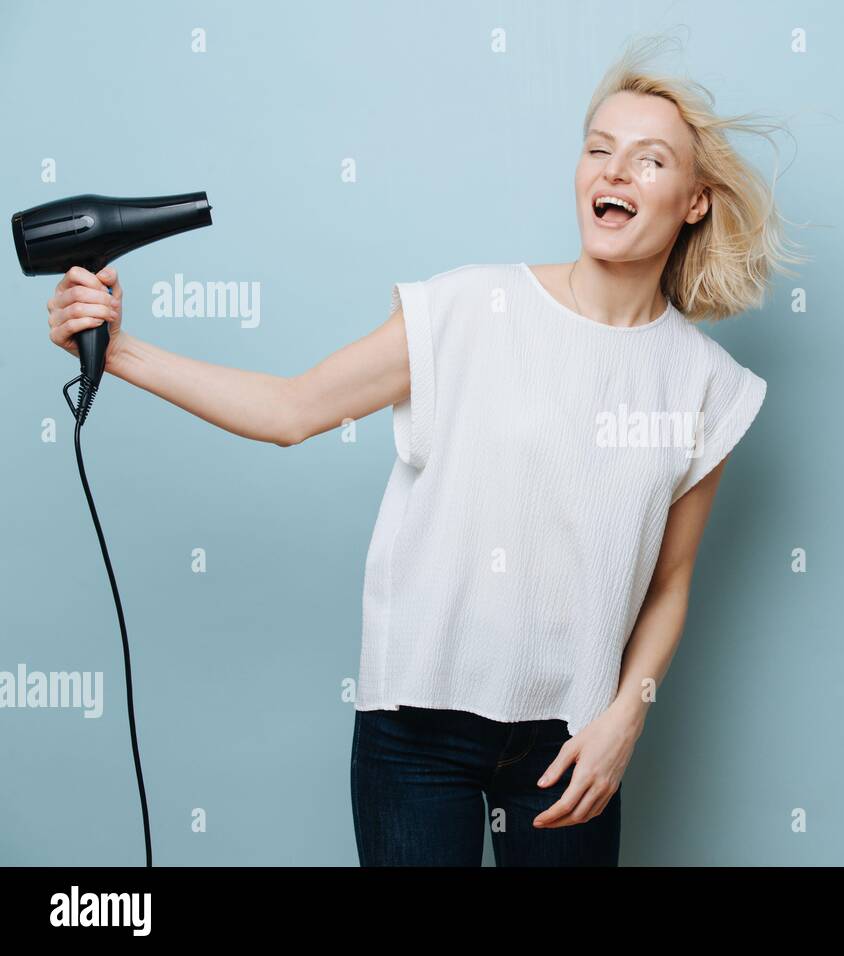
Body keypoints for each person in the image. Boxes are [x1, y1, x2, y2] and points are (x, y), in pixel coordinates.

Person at [45, 34, 805, 866]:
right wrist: (119, 352)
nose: (614, 172)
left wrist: (628, 716)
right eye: (599, 150)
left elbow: (670, 580)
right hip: (415, 733)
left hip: (574, 744)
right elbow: (293, 409)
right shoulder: (468, 308)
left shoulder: (705, 385)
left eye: (649, 160)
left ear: (695, 200)